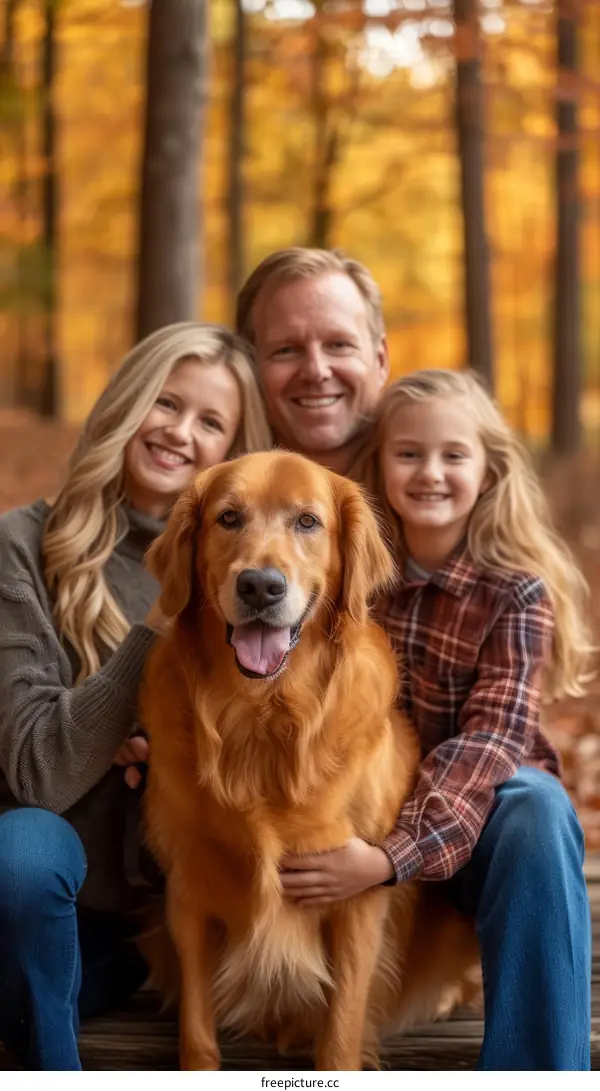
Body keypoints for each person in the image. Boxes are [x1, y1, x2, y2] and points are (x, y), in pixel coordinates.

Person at [279, 368, 593, 1071]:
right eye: (409, 453)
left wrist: (393, 855)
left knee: (536, 801)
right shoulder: (350, 578)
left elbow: (491, 740)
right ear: (378, 465)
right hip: (356, 823)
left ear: (487, 471)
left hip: (473, 838)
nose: (431, 472)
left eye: (454, 455)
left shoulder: (516, 594)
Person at [0, 322, 272, 1071]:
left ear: (232, 451)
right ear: (126, 402)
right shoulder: (21, 545)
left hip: (164, 923)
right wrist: (153, 637)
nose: (180, 432)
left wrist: (174, 747)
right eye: (166, 402)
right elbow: (41, 770)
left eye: (210, 421)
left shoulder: (250, 578)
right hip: (35, 903)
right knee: (26, 844)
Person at [236, 247, 389, 479]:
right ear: (249, 365)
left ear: (381, 361)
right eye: (286, 350)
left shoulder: (445, 495)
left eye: (339, 345)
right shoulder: (203, 499)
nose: (316, 371)